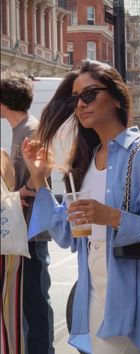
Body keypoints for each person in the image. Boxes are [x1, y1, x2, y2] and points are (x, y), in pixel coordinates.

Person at [22, 60, 140, 354]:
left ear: (116, 98)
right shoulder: (86, 160)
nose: (81, 104)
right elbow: (68, 233)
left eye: (89, 94)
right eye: (76, 98)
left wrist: (115, 217)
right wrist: (39, 178)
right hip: (93, 297)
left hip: (135, 302)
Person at [0, 72, 54, 354]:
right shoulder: (22, 129)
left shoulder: (30, 130)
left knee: (35, 302)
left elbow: (43, 169)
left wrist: (24, 191)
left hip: (33, 228)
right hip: (26, 228)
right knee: (29, 302)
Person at [0, 148, 25, 354]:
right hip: (7, 245)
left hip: (5, 248)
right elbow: (9, 192)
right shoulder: (2, 156)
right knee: (9, 314)